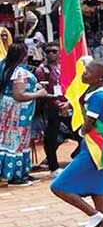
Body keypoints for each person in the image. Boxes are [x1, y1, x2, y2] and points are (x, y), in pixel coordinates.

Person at [50, 58, 103, 227]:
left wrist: (79, 132)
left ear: (100, 76)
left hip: (93, 148)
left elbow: (88, 125)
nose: (83, 73)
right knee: (97, 191)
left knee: (58, 186)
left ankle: (95, 215)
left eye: (88, 71)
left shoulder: (98, 96)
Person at [0, 43, 47, 186]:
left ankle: (16, 173)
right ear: (24, 55)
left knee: (8, 142)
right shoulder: (19, 71)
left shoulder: (5, 66)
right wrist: (39, 93)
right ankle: (15, 175)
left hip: (9, 109)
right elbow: (19, 95)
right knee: (17, 142)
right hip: (18, 112)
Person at [34, 44, 68, 177]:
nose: (51, 54)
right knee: (51, 137)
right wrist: (58, 103)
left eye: (54, 51)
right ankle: (53, 166)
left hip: (67, 103)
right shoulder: (42, 70)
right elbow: (43, 91)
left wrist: (68, 102)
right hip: (51, 107)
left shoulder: (65, 67)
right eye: (48, 51)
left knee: (78, 132)